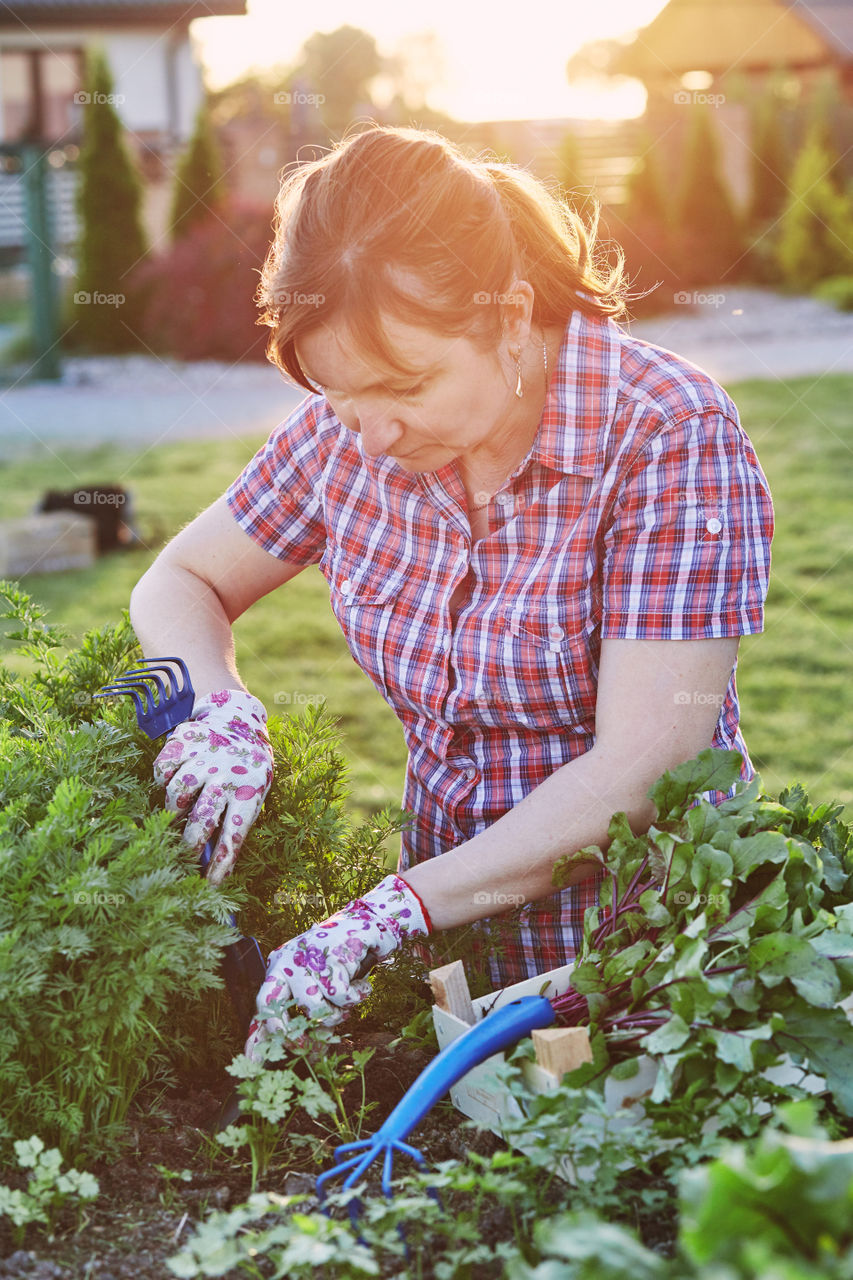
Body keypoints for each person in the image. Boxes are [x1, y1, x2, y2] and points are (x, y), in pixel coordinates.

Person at [129, 124, 774, 1059]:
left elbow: (641, 772)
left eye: (407, 386)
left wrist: (384, 915)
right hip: (444, 962)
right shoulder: (345, 436)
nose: (373, 434)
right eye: (339, 394)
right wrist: (215, 709)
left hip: (648, 972)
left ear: (511, 317)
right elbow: (181, 577)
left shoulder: (667, 436)